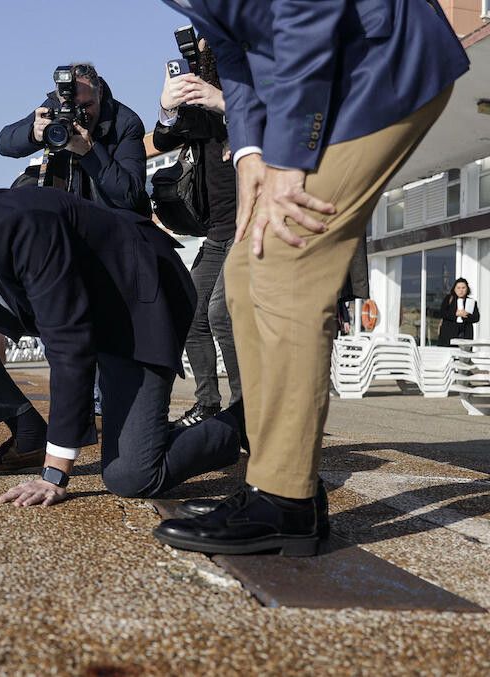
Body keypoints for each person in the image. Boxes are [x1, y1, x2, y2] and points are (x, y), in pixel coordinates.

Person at [154, 0, 469, 556]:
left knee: (287, 261)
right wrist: (250, 148)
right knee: (245, 271)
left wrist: (290, 151)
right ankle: (273, 480)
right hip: (334, 72)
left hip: (380, 62)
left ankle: (285, 501)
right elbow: (228, 42)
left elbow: (308, 9)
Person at [0, 178, 246, 591]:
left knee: (132, 477)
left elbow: (68, 345)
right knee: (132, 458)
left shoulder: (18, 225)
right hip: (81, 321)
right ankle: (152, 433)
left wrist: (55, 474)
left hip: (134, 299)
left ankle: (245, 421)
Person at [152, 39, 242, 427]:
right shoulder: (197, 105)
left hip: (250, 225)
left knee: (222, 314)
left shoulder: (246, 88)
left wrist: (223, 101)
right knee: (190, 311)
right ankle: (208, 403)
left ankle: (246, 409)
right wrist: (169, 107)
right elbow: (161, 140)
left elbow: (274, 121)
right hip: (217, 231)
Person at [0, 63, 152, 218]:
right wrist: (33, 134)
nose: (79, 114)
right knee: (21, 194)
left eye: (87, 105)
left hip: (109, 220)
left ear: (100, 93)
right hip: (65, 210)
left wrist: (90, 153)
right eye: (71, 107)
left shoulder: (126, 123)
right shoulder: (55, 108)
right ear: (59, 98)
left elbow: (131, 196)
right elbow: (3, 143)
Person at [438, 278, 480, 346]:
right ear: (454, 289)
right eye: (458, 288)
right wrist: (456, 314)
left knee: (465, 355)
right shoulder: (449, 299)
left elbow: (476, 318)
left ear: (467, 289)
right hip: (449, 335)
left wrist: (465, 315)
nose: (461, 290)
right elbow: (442, 313)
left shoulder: (471, 302)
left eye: (463, 288)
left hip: (465, 335)